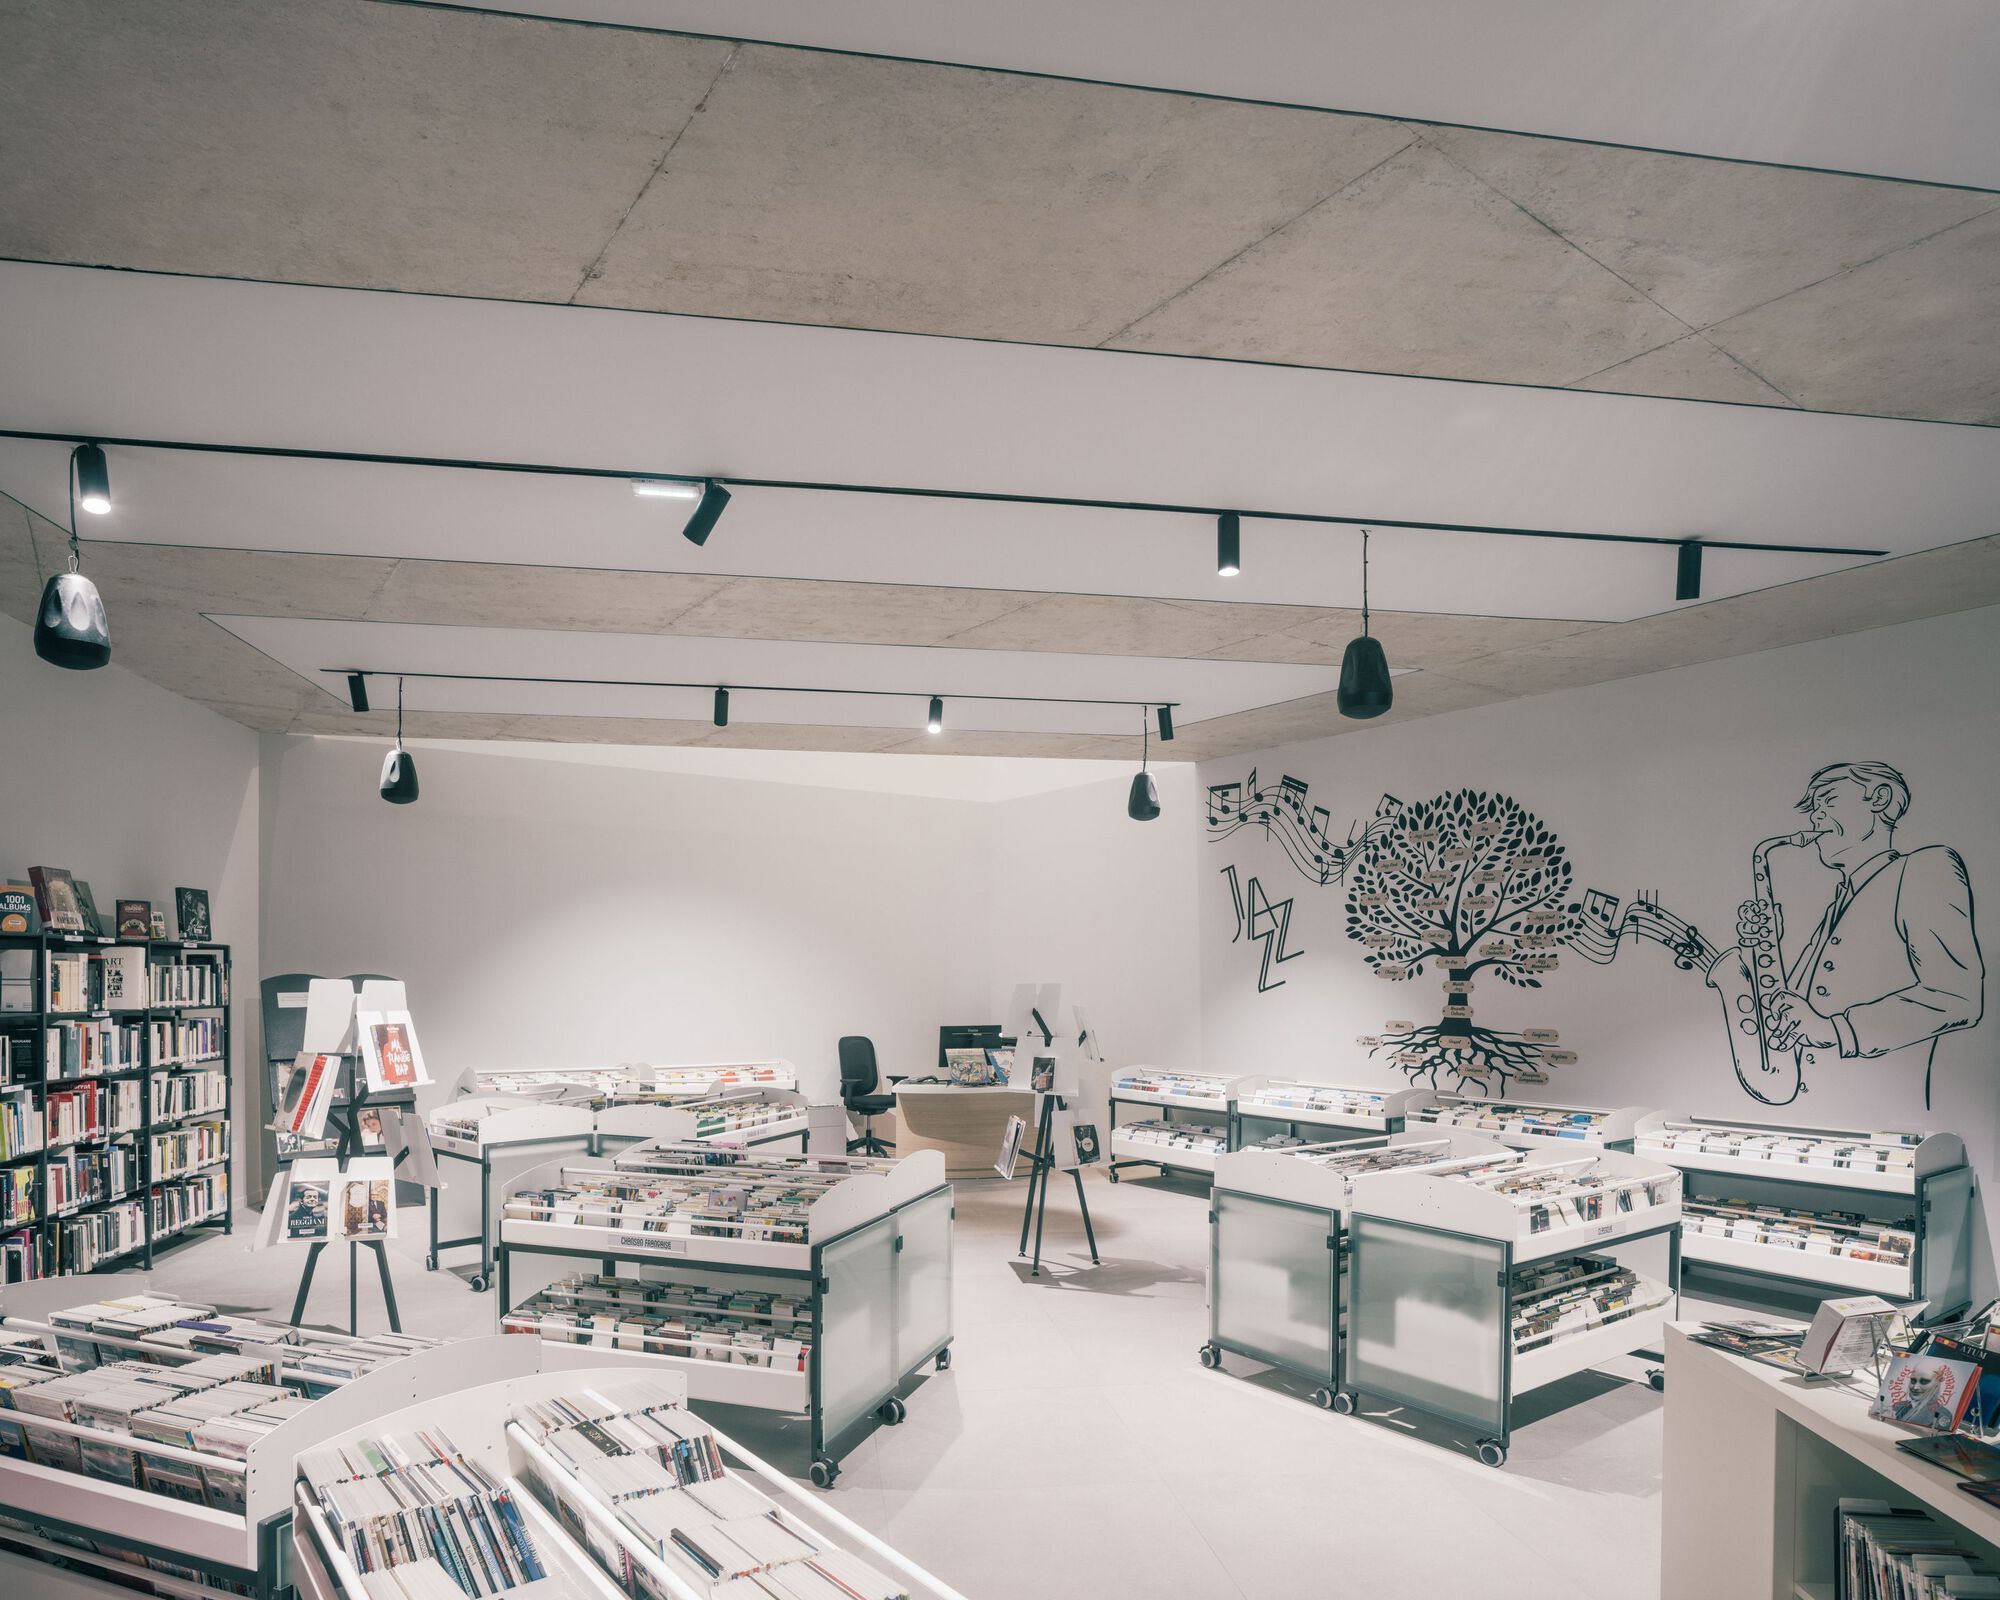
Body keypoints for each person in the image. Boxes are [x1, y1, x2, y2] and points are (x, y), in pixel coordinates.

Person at [1766, 761, 1983, 1105]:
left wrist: (1837, 1030)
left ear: (1879, 798)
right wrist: (1766, 947)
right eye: (1814, 809)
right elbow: (1803, 1008)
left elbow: (1956, 998)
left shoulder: (1925, 868)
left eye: (1828, 800)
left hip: (1882, 1110)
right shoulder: (1837, 903)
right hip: (1817, 1109)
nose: (1815, 818)